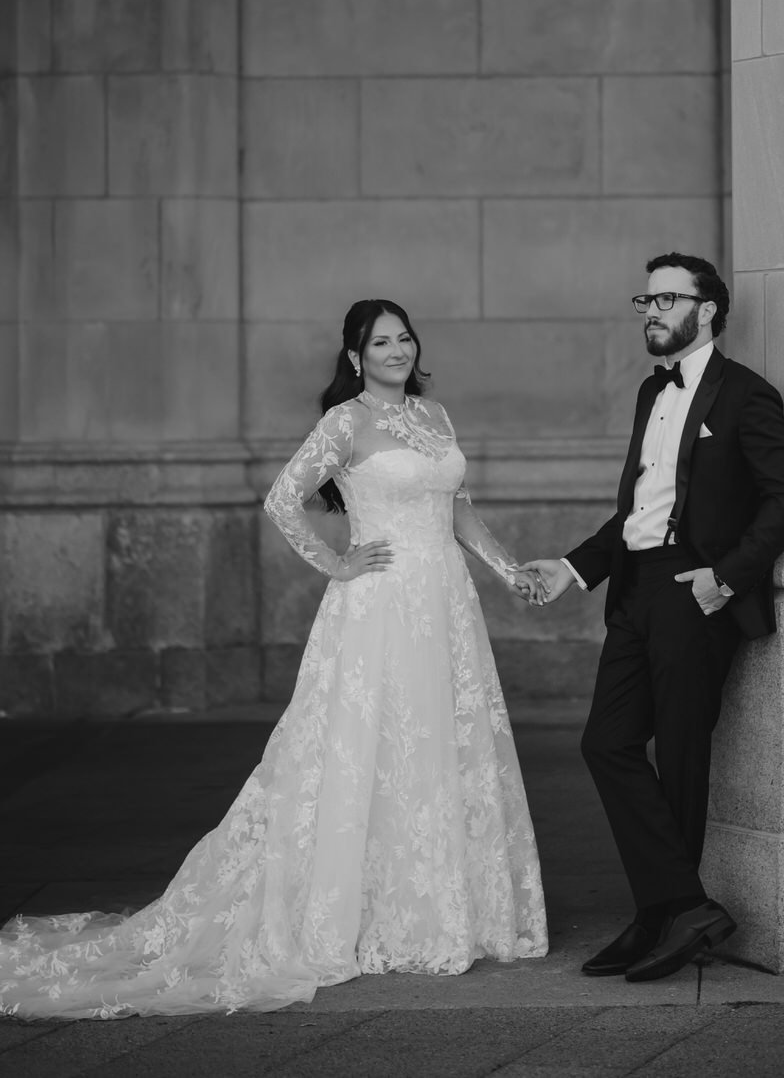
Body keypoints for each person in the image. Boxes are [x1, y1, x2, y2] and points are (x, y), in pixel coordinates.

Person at [0, 300, 547, 1020]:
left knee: (438, 744)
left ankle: (439, 910)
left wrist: (510, 572)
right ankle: (360, 915)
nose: (397, 350)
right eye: (380, 342)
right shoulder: (345, 422)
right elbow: (282, 499)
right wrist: (338, 563)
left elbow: (458, 508)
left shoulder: (434, 414)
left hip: (445, 604)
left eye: (404, 338)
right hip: (380, 607)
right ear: (354, 357)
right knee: (366, 749)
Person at [522, 253, 784, 983]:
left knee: (680, 755)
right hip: (635, 588)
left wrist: (726, 578)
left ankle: (660, 917)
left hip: (694, 589)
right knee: (607, 742)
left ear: (706, 310)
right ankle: (682, 906)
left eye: (667, 300)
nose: (651, 312)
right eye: (646, 301)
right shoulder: (653, 391)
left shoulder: (746, 394)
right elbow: (637, 511)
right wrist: (574, 566)